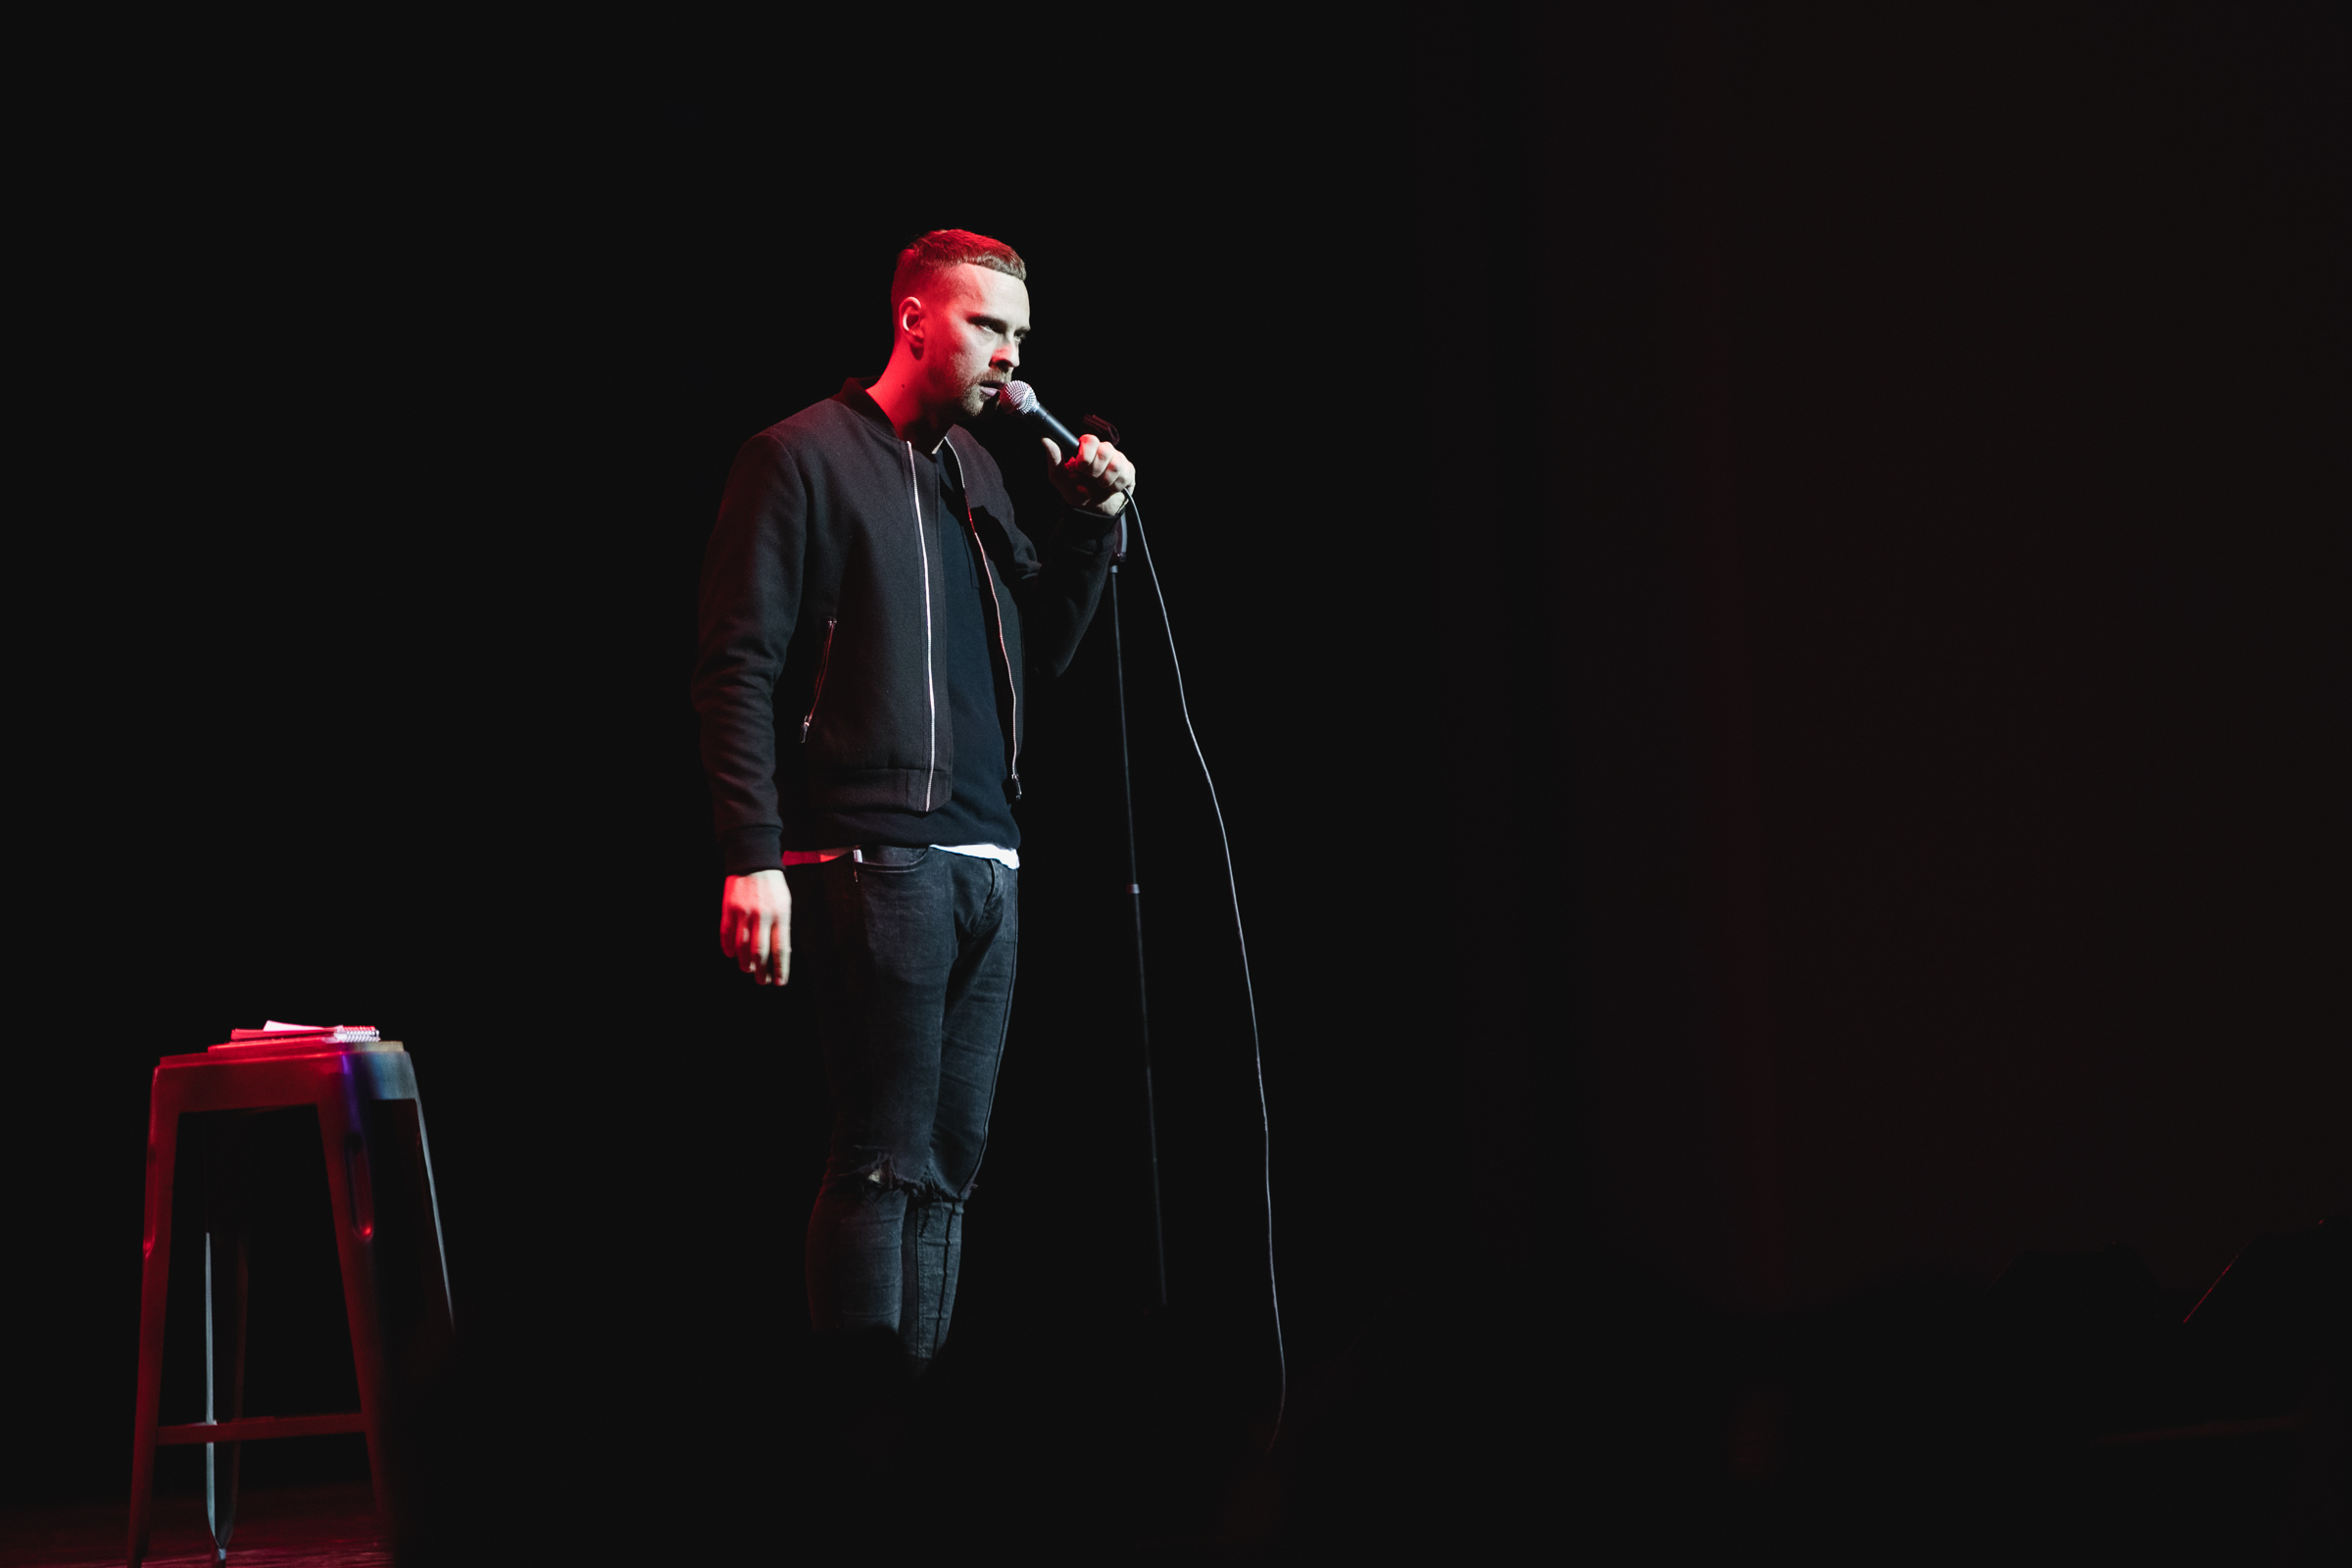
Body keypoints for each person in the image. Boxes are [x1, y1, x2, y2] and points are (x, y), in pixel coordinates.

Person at [691, 229, 1135, 1376]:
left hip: (991, 860)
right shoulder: (798, 456)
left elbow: (1043, 654)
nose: (1010, 359)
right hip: (873, 852)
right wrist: (751, 854)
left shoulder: (982, 477)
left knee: (949, 1167)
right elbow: (736, 663)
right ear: (915, 321)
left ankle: (912, 1450)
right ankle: (857, 1461)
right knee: (881, 1159)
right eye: (990, 328)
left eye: (1021, 338)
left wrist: (1088, 526)